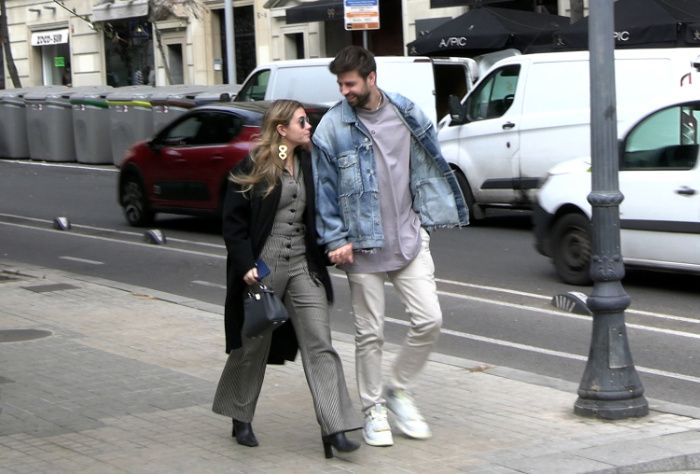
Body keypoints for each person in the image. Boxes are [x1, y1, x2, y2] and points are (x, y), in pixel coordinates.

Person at [312, 46, 469, 447]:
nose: (344, 90)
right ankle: (372, 409)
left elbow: (429, 163)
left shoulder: (406, 112)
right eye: (340, 84)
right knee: (370, 334)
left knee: (429, 320)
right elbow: (324, 192)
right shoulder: (332, 127)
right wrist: (336, 239)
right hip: (362, 247)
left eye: (350, 83)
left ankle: (398, 388)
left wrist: (430, 211)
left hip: (410, 238)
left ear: (371, 78)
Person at [212, 99, 362, 459]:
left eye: (308, 121)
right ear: (282, 130)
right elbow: (233, 224)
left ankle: (335, 428)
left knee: (321, 343)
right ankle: (239, 414)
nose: (308, 126)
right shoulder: (256, 166)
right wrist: (246, 263)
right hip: (264, 265)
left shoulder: (310, 162)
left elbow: (325, 208)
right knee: (253, 344)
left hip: (303, 266)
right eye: (301, 122)